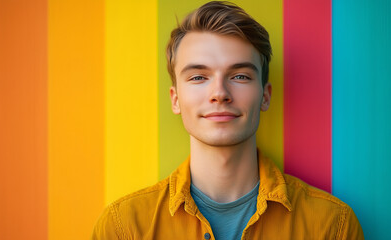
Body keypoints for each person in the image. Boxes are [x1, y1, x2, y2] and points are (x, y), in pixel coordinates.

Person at [92, 1, 364, 239]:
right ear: (175, 99)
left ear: (265, 96)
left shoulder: (331, 226)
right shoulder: (123, 228)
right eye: (198, 77)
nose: (219, 93)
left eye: (240, 76)